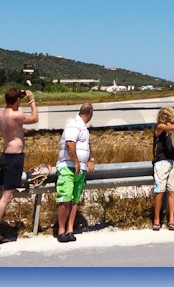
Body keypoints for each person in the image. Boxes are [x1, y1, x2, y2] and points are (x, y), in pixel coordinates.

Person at [0, 87, 39, 250]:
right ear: (18, 100)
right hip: (14, 158)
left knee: (3, 195)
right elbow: (35, 119)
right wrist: (32, 101)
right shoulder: (16, 115)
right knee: (7, 196)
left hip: (6, 155)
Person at [56, 102, 96, 243]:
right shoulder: (74, 125)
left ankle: (70, 229)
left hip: (80, 168)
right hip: (68, 166)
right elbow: (70, 143)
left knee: (74, 199)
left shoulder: (83, 128)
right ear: (90, 113)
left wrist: (90, 159)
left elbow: (87, 145)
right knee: (65, 198)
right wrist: (76, 162)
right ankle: (61, 230)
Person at [152, 106, 174, 231]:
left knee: (172, 190)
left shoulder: (167, 130)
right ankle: (157, 219)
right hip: (161, 162)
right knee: (160, 191)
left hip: (171, 160)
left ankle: (171, 219)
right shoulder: (159, 127)